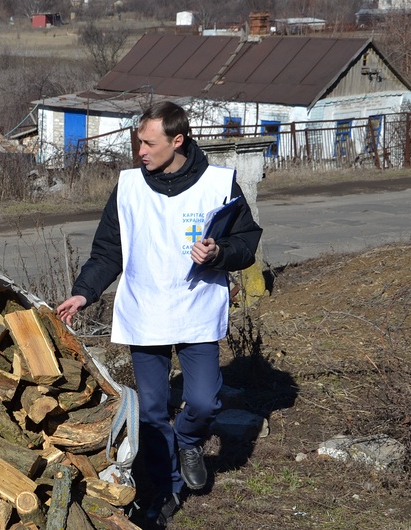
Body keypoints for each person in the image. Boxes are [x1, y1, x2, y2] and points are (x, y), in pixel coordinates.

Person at [56, 101, 262, 526]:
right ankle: (166, 489)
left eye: (149, 143)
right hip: (145, 312)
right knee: (150, 411)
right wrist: (84, 293)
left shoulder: (219, 183)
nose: (141, 152)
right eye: (139, 142)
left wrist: (220, 252)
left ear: (178, 140)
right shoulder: (129, 186)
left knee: (203, 401)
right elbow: (108, 250)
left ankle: (188, 440)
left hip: (196, 311)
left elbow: (246, 241)